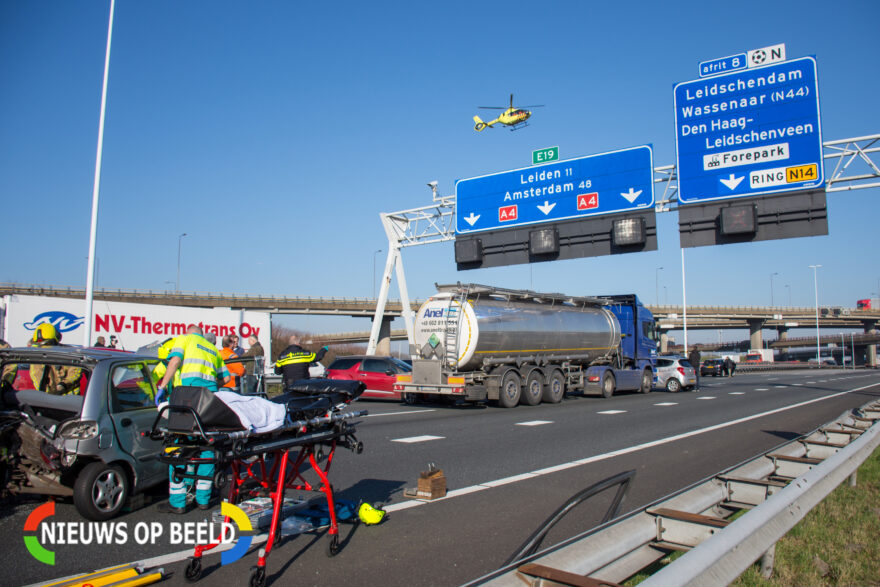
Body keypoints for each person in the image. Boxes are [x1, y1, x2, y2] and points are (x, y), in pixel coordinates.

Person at [156, 325, 230, 514]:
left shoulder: (185, 339)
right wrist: (210, 385)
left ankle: (178, 502)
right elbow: (227, 377)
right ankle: (203, 499)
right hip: (209, 400)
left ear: (189, 332)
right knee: (206, 447)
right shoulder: (213, 349)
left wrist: (162, 387)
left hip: (186, 398)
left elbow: (174, 362)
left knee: (179, 447)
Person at [27, 324, 83, 395]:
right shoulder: (38, 358)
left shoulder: (70, 353)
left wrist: (63, 385)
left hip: (70, 401)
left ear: (54, 341)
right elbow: (37, 376)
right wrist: (49, 394)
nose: (43, 348)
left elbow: (75, 373)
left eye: (46, 344)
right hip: (49, 400)